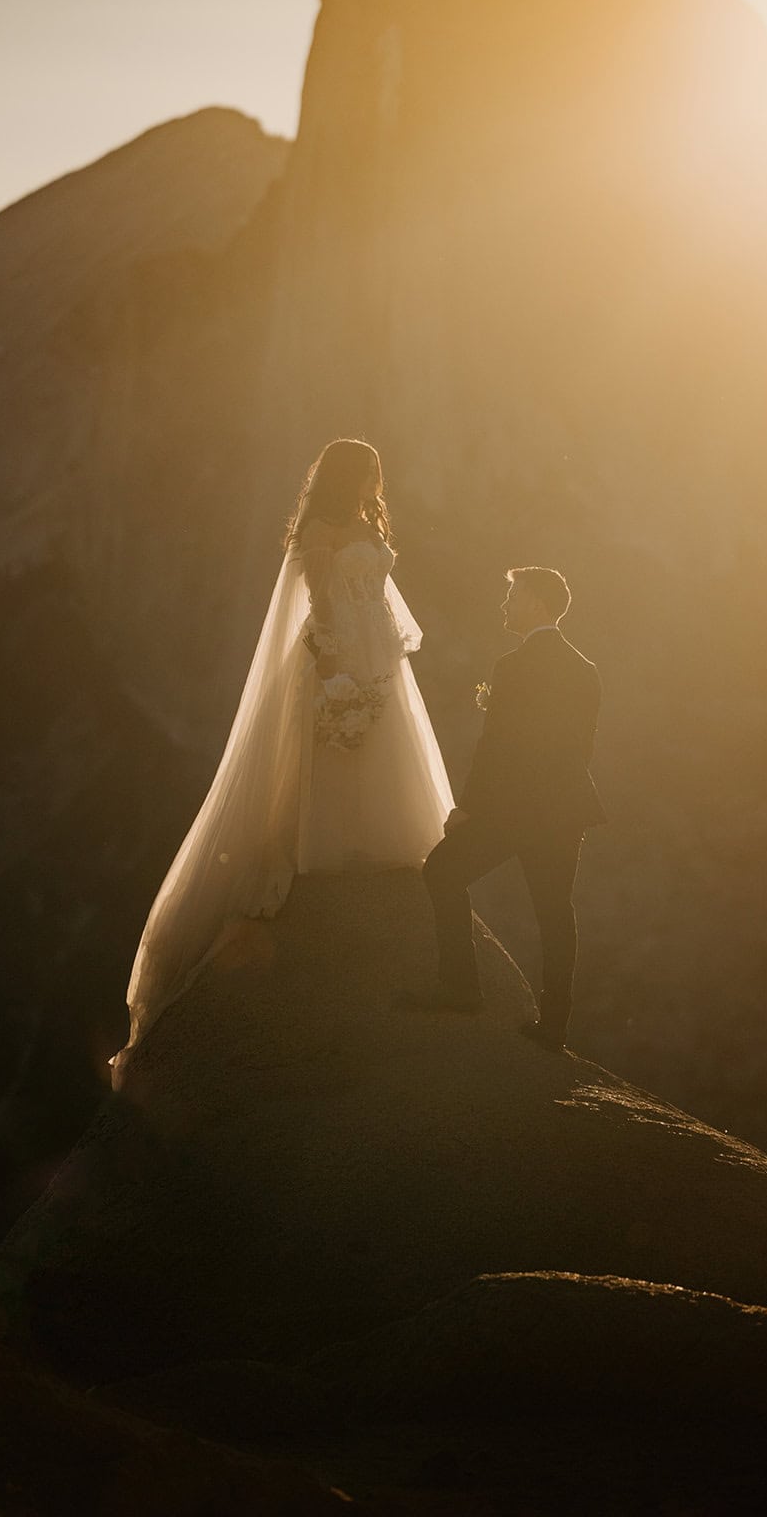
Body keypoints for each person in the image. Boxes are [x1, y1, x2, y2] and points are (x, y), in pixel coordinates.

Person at [109, 438, 453, 1085]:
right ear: (345, 477)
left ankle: (375, 840)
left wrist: (376, 660)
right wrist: (339, 668)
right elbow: (321, 603)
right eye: (365, 473)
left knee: (381, 746)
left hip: (376, 654)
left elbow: (377, 594)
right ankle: (325, 844)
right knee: (331, 744)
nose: (372, 484)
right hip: (334, 656)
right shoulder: (322, 529)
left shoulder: (364, 525)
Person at [415, 567, 605, 1051]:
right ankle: (555, 1028)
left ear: (538, 604)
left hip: (513, 811)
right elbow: (578, 751)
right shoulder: (586, 669)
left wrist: (468, 809)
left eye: (513, 595)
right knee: (556, 914)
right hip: (563, 810)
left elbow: (496, 746)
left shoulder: (513, 666)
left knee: (441, 871)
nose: (505, 604)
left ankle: (460, 988)